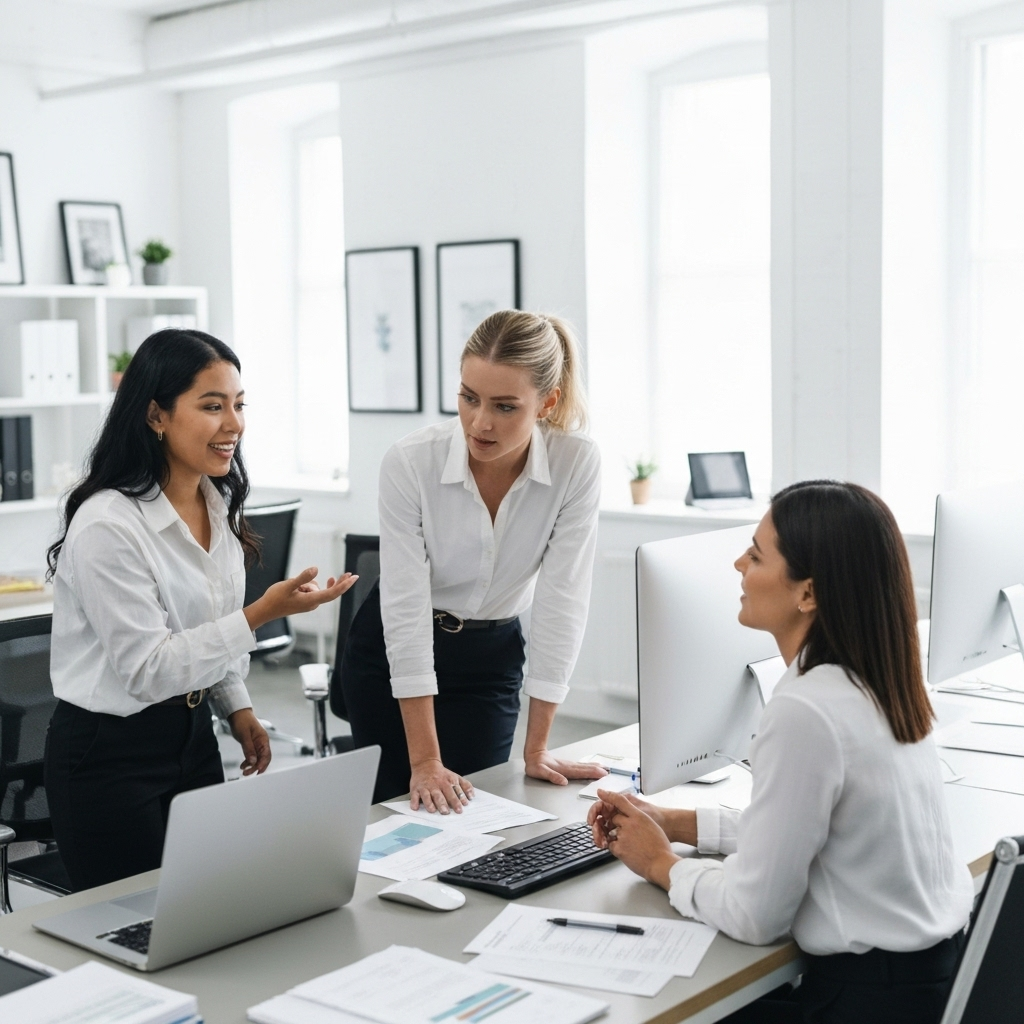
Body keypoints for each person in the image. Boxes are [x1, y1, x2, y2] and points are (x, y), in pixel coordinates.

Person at [588, 481, 975, 1024]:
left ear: (808, 593)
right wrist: (678, 822)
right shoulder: (874, 680)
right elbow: (816, 832)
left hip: (863, 1004)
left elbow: (754, 915)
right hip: (920, 985)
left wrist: (659, 864)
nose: (737, 564)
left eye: (756, 554)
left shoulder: (807, 711)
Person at [44, 329, 355, 892]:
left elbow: (205, 629)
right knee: (129, 926)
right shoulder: (108, 525)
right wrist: (260, 614)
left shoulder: (216, 503)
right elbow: (148, 670)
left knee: (201, 909)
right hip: (107, 754)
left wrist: (237, 708)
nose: (233, 423)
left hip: (190, 734)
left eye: (238, 405)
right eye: (212, 407)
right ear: (156, 415)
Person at [342, 310, 608, 810]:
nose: (480, 423)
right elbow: (404, 608)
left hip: (490, 658)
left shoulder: (576, 463)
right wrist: (423, 760)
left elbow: (563, 600)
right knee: (394, 817)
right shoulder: (410, 462)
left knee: (473, 815)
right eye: (469, 398)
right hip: (392, 654)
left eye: (505, 406)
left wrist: (539, 746)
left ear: (547, 402)